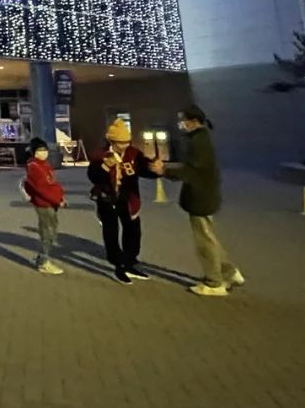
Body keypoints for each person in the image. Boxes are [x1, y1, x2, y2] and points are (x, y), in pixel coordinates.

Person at [161, 104, 244, 297]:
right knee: (208, 235)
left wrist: (164, 170)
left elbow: (191, 170)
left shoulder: (199, 142)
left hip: (200, 195)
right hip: (203, 194)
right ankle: (229, 272)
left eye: (183, 120)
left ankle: (214, 282)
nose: (181, 123)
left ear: (194, 121)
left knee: (204, 240)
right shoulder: (199, 139)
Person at [88, 117, 160, 284]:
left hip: (128, 198)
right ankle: (118, 266)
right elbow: (93, 176)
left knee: (133, 231)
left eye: (127, 141)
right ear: (112, 141)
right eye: (121, 142)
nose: (125, 145)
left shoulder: (133, 153)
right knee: (111, 232)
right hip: (107, 198)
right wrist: (105, 167)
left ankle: (129, 262)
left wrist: (155, 170)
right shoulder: (101, 154)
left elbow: (143, 168)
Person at [21, 137, 65, 274]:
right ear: (34, 152)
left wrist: (60, 197)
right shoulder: (34, 167)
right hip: (44, 203)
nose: (44, 152)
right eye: (40, 150)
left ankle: (43, 258)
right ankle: (44, 262)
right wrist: (58, 200)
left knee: (51, 231)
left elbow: (53, 183)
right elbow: (43, 188)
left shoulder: (44, 165)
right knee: (47, 232)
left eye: (45, 149)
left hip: (51, 202)